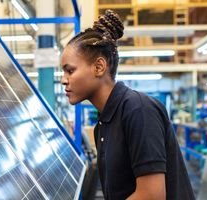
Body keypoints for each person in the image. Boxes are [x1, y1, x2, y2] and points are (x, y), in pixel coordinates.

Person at [60, 10, 195, 200]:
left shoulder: (138, 110)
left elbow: (152, 195)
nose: (63, 81)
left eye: (70, 71)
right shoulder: (104, 124)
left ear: (99, 67)